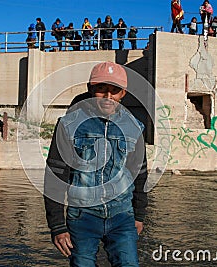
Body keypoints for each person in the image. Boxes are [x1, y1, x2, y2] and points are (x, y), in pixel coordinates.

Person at [44, 61, 148, 266]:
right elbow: (55, 176)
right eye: (101, 89)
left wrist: (139, 215)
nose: (108, 97)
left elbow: (140, 173)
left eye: (114, 90)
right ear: (91, 90)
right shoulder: (69, 124)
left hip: (122, 216)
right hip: (82, 217)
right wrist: (57, 226)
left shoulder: (134, 127)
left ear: (123, 93)